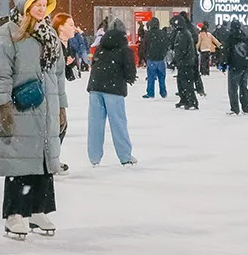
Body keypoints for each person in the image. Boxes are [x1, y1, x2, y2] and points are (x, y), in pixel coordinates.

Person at [0, 0, 66, 239]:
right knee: (19, 159)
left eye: (45, 4)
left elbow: (58, 74)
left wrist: (61, 107)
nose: (42, 8)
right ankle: (15, 214)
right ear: (26, 4)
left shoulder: (50, 34)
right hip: (20, 107)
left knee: (43, 158)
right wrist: (3, 106)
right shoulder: (8, 32)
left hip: (47, 107)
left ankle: (37, 209)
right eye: (37, 4)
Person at [86, 19, 138, 166]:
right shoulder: (124, 48)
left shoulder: (101, 46)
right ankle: (125, 156)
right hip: (113, 89)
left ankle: (94, 157)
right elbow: (129, 69)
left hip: (95, 87)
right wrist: (130, 78)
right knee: (118, 123)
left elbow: (95, 63)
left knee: (95, 123)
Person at [52, 12, 78, 175]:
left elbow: (71, 77)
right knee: (58, 127)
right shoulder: (54, 45)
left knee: (60, 126)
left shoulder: (67, 46)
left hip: (59, 92)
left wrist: (71, 64)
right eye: (70, 24)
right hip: (51, 93)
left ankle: (52, 160)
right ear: (60, 27)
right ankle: (50, 161)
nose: (74, 28)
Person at [223, 19, 248, 115]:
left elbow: (226, 52)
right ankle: (246, 108)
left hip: (234, 66)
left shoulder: (230, 37)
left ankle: (235, 108)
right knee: (244, 87)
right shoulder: (244, 36)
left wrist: (224, 63)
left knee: (233, 88)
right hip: (245, 65)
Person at [170, 14, 198, 110]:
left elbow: (181, 50)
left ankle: (192, 101)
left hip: (185, 62)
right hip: (184, 62)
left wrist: (175, 61)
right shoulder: (183, 33)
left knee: (186, 82)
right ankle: (184, 99)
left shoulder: (183, 34)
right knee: (181, 82)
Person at [142, 17, 170, 99]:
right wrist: (163, 53)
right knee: (162, 77)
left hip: (151, 58)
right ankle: (163, 92)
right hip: (161, 59)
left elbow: (144, 46)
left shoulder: (148, 34)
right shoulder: (162, 33)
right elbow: (166, 44)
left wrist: (146, 55)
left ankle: (150, 93)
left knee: (151, 77)